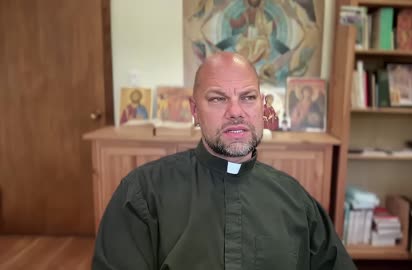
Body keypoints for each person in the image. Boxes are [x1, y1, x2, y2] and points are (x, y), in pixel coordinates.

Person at [92, 52, 356, 270]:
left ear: (262, 107)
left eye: (248, 98)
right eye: (218, 99)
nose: (235, 112)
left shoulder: (297, 201)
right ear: (195, 111)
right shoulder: (142, 195)